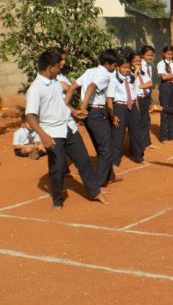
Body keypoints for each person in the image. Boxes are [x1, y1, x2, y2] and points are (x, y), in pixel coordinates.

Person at [25, 50, 108, 209]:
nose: (59, 69)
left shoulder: (56, 81)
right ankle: (57, 200)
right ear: (50, 67)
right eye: (58, 66)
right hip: (52, 133)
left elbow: (60, 103)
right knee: (57, 168)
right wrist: (43, 135)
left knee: (84, 161)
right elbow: (30, 115)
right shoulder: (35, 89)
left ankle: (95, 192)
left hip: (69, 127)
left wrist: (73, 111)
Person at [65, 49, 120, 187]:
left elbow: (72, 87)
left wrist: (66, 104)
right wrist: (82, 107)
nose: (115, 68)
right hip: (96, 112)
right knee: (106, 148)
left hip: (90, 114)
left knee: (99, 144)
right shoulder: (105, 74)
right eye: (114, 65)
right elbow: (91, 86)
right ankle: (99, 183)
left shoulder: (90, 71)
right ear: (108, 64)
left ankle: (110, 175)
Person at [107, 55, 145, 167]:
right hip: (120, 107)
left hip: (132, 107)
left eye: (128, 67)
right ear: (118, 67)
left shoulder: (132, 78)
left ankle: (138, 156)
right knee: (118, 135)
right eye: (124, 67)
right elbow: (109, 98)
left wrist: (136, 109)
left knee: (136, 132)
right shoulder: (113, 79)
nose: (126, 70)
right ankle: (115, 161)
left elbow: (135, 95)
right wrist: (112, 115)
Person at [157, 45, 173, 143]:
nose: (169, 56)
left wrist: (170, 77)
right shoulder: (161, 64)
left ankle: (172, 135)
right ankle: (163, 137)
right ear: (163, 53)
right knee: (165, 111)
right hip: (165, 88)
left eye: (171, 54)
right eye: (168, 54)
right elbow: (163, 78)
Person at [137, 45, 156, 149]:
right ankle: (139, 143)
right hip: (139, 95)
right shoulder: (140, 65)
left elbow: (150, 82)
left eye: (151, 55)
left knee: (146, 119)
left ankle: (146, 143)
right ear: (142, 55)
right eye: (147, 55)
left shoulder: (150, 66)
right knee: (140, 119)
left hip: (147, 94)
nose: (149, 57)